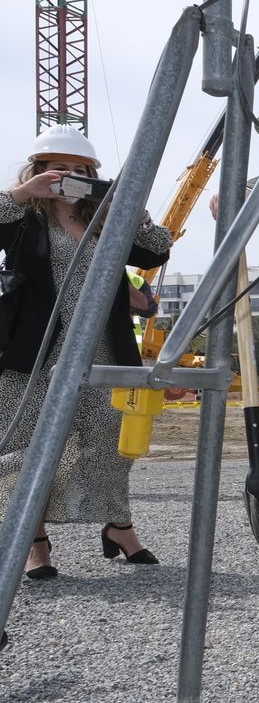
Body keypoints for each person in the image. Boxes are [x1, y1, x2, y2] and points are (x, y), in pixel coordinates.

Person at [0, 126, 169, 590]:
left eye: (80, 171)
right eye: (58, 168)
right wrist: (21, 193)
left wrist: (133, 215)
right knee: (27, 446)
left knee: (110, 442)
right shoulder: (22, 217)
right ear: (38, 171)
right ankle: (35, 541)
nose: (68, 177)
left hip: (104, 348)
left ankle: (117, 525)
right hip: (34, 353)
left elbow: (156, 253)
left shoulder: (105, 220)